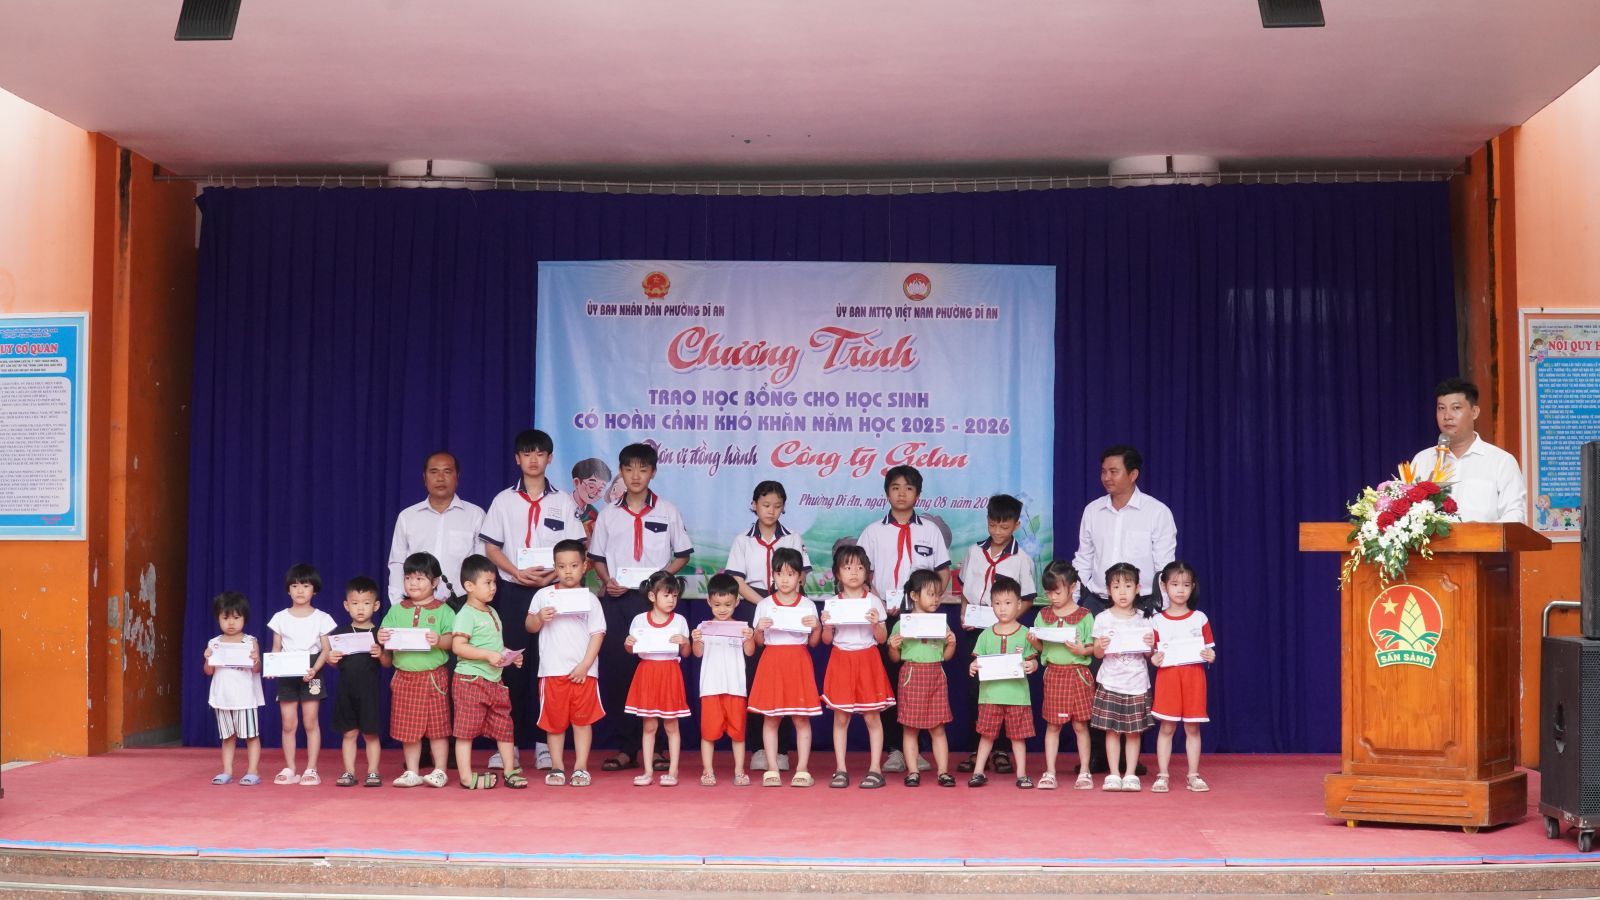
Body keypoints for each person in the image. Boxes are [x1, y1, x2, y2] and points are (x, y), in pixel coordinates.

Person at [480, 429, 585, 774]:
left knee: (548, 668)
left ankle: (544, 745)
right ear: (517, 459)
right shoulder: (503, 501)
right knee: (511, 666)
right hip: (513, 591)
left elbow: (576, 548)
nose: (534, 460)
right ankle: (506, 745)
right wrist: (515, 571)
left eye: (540, 453)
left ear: (550, 458)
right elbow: (491, 547)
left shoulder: (564, 502)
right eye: (527, 454)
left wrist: (552, 576)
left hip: (553, 591)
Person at [588, 443, 692, 772]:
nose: (635, 476)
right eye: (629, 469)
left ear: (653, 473)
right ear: (620, 471)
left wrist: (661, 582)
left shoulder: (668, 511)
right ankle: (625, 747)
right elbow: (597, 557)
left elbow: (682, 554)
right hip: (619, 601)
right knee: (620, 673)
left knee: (658, 672)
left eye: (643, 469)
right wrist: (607, 581)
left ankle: (658, 748)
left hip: (656, 604)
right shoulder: (609, 514)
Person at [858, 465, 950, 774]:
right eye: (895, 487)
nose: (902, 493)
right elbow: (862, 574)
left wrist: (929, 602)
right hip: (886, 615)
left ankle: (918, 750)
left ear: (918, 494)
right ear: (887, 493)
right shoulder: (873, 532)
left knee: (924, 684)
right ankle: (895, 750)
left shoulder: (930, 531)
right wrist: (880, 604)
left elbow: (943, 571)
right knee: (890, 684)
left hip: (921, 616)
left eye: (909, 488)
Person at [725, 480, 809, 773]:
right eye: (765, 505)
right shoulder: (742, 540)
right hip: (755, 605)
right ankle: (758, 748)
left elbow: (802, 575)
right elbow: (736, 581)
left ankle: (782, 750)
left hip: (788, 606)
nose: (771, 511)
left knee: (786, 683)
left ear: (783, 508)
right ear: (754, 505)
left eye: (777, 506)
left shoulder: (793, 538)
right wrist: (766, 603)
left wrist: (783, 602)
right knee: (755, 680)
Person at [956, 494, 1037, 774]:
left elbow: (1028, 597)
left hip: (1006, 632)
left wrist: (1008, 621)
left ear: (1016, 525)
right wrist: (964, 614)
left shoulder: (1021, 559)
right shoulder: (973, 552)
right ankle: (976, 749)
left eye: (1004, 526)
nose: (998, 531)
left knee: (1005, 688)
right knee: (977, 690)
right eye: (993, 524)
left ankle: (1002, 750)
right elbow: (965, 588)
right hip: (977, 631)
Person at [526, 538, 607, 787]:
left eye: (573, 566)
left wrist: (585, 665)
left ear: (585, 566)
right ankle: (557, 766)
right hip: (552, 670)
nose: (568, 571)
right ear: (555, 567)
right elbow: (529, 626)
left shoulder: (591, 600)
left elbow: (597, 634)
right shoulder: (543, 595)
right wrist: (540, 618)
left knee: (582, 722)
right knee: (554, 724)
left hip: (583, 672)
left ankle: (581, 767)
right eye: (561, 566)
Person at [378, 552, 456, 788]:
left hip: (434, 678)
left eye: (420, 578)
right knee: (408, 729)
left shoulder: (444, 610)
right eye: (408, 578)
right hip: (404, 678)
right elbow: (385, 639)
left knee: (438, 728)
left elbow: (453, 641)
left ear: (435, 582)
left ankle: (439, 770)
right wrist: (381, 637)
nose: (413, 583)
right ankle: (412, 771)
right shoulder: (396, 610)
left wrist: (439, 640)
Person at [451, 554, 529, 789]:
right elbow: (458, 647)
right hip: (470, 680)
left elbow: (494, 647)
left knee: (505, 727)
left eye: (494, 582)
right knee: (465, 731)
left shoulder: (492, 612)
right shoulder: (466, 614)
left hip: (495, 681)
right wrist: (487, 655)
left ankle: (510, 770)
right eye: (487, 583)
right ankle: (466, 777)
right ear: (469, 586)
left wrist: (509, 655)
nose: (493, 587)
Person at [820, 543, 893, 789]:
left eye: (860, 567)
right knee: (841, 718)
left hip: (867, 659)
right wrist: (827, 626)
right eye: (847, 567)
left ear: (867, 573)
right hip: (841, 659)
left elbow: (882, 639)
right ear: (837, 573)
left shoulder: (873, 601)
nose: (854, 572)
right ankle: (840, 769)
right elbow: (826, 640)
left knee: (872, 717)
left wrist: (876, 624)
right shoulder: (832, 603)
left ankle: (875, 769)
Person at [748, 547, 821, 788]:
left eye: (791, 574)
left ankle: (802, 769)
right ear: (773, 576)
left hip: (798, 661)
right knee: (771, 719)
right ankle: (772, 768)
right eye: (779, 574)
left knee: (801, 719)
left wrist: (816, 627)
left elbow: (813, 642)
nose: (785, 579)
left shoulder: (808, 605)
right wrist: (759, 629)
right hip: (772, 661)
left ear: (800, 576)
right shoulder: (764, 605)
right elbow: (759, 642)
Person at [1072, 446, 1177, 614]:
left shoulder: (1157, 512)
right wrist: (1071, 602)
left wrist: (1161, 609)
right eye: (1104, 472)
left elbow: (1164, 567)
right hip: (1097, 603)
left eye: (1113, 472)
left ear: (1133, 475)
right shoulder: (1092, 510)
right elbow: (1084, 559)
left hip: (1142, 604)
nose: (1106, 478)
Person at [1409, 377, 1528, 523]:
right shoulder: (1423, 460)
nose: (1447, 416)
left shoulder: (1501, 462)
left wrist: (1480, 531)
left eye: (1456, 408)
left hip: (1482, 538)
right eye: (1441, 408)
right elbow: (1406, 514)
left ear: (1474, 412)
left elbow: (1515, 515)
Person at [1028, 561, 1096, 791]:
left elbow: (1093, 647)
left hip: (1078, 674)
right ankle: (1050, 772)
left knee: (1080, 725)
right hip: (1054, 674)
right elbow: (1041, 648)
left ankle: (1085, 771)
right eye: (1048, 592)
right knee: (1053, 725)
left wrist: (1082, 650)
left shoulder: (1085, 616)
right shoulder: (1043, 614)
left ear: (1073, 586)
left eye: (1057, 592)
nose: (1053, 597)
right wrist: (1034, 642)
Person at [387, 451, 486, 606]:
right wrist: (398, 602)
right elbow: (397, 563)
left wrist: (474, 605)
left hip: (462, 604)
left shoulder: (475, 515)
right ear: (424, 478)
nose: (440, 478)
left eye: (447, 471)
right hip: (416, 603)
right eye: (434, 472)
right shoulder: (407, 516)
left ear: (457, 477)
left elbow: (481, 565)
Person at [966, 576, 1038, 788]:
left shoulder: (1026, 634)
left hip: (1017, 697)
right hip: (990, 696)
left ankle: (1022, 774)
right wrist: (973, 666)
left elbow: (1035, 660)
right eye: (997, 603)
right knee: (986, 736)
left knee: (1018, 737)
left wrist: (1032, 665)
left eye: (1007, 603)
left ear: (1019, 604)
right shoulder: (986, 635)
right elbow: (978, 660)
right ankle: (978, 772)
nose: (1002, 608)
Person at [266, 563, 335, 786]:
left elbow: (326, 649)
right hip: (287, 671)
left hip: (312, 670)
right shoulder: (279, 617)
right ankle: (290, 768)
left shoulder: (322, 618)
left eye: (305, 585)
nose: (300, 590)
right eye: (295, 586)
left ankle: (311, 768)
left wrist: (315, 669)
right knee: (288, 723)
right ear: (288, 590)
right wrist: (272, 667)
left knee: (310, 721)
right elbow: (276, 648)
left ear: (314, 590)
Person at [1150, 560, 1216, 793]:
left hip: (1194, 679)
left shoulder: (1200, 618)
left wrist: (1210, 656)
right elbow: (1153, 652)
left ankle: (1193, 775)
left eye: (1186, 585)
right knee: (1167, 728)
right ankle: (1163, 775)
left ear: (1193, 587)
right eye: (1175, 584)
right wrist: (1154, 659)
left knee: (1192, 728)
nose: (1180, 590)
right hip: (1168, 679)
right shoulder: (1157, 620)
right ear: (1164, 586)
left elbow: (1209, 650)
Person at [1091, 562, 1158, 792]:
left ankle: (1130, 773)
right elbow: (1097, 654)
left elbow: (1149, 654)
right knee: (1112, 731)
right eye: (1116, 586)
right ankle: (1113, 774)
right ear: (1108, 590)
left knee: (1133, 732)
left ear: (1137, 588)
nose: (1122, 592)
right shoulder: (1102, 618)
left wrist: (1151, 645)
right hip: (1110, 681)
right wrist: (1100, 645)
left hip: (1137, 682)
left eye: (1128, 586)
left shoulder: (1144, 618)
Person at [888, 569, 957, 788]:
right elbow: (895, 658)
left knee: (938, 728)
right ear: (914, 596)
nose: (936, 599)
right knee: (910, 728)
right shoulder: (902, 624)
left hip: (936, 675)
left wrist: (952, 643)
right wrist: (893, 647)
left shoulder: (941, 624)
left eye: (938, 595)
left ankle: (943, 772)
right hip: (912, 675)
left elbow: (946, 656)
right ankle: (913, 772)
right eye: (930, 594)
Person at [624, 571, 693, 786]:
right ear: (652, 596)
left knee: (671, 726)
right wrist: (628, 643)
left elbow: (686, 653)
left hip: (670, 673)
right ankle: (647, 771)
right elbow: (631, 650)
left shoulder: (680, 620)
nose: (671, 600)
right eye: (666, 595)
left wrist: (685, 642)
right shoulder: (639, 620)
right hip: (647, 673)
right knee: (649, 726)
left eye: (675, 596)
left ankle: (673, 771)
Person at [693, 573, 756, 786]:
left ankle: (739, 771)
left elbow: (749, 652)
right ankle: (708, 771)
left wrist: (749, 638)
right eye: (717, 604)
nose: (722, 609)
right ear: (709, 601)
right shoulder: (703, 627)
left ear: (737, 602)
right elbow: (697, 653)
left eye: (728, 604)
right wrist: (696, 640)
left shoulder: (742, 627)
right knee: (708, 733)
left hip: (735, 687)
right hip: (711, 687)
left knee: (738, 734)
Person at [326, 576, 389, 788]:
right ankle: (349, 772)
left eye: (366, 603)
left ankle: (373, 772)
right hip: (346, 690)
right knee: (349, 733)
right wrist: (331, 658)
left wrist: (380, 654)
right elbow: (333, 662)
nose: (360, 608)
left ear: (376, 605)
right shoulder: (340, 633)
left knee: (370, 734)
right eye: (355, 603)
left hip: (370, 692)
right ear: (346, 605)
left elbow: (388, 663)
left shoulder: (379, 633)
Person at [203, 591, 264, 786]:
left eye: (236, 618)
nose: (231, 623)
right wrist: (207, 658)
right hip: (222, 697)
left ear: (244, 618)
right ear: (218, 618)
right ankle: (227, 770)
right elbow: (208, 671)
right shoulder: (214, 643)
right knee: (228, 737)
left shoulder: (250, 641)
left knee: (251, 735)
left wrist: (256, 659)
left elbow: (257, 669)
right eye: (225, 618)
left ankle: (253, 771)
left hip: (245, 697)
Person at [571, 457, 613, 540]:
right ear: (576, 482)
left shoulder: (594, 514)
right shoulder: (562, 505)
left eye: (601, 489)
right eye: (591, 486)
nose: (596, 492)